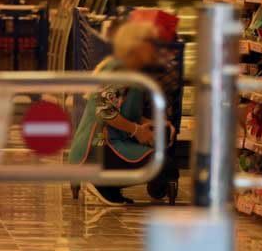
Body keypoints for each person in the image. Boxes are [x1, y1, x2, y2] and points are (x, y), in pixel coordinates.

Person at [69, 21, 179, 206]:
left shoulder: (131, 71)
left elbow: (125, 111)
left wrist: (152, 123)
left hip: (115, 142)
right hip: (99, 146)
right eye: (150, 42)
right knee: (163, 166)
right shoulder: (118, 70)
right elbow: (104, 111)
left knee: (165, 166)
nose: (155, 48)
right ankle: (99, 181)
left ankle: (109, 184)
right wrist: (137, 131)